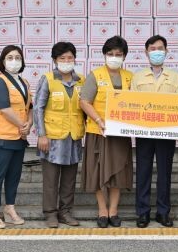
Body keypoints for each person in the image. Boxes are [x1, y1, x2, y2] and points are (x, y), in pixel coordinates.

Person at [131, 35, 178, 228]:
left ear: (166, 51)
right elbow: (132, 104)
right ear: (146, 52)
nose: (157, 52)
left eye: (160, 48)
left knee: (164, 173)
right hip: (144, 132)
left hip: (167, 133)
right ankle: (142, 212)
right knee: (143, 172)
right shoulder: (137, 77)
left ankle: (163, 212)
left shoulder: (176, 77)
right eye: (152, 49)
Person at [80, 36, 133, 228]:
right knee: (97, 171)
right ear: (104, 55)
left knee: (119, 171)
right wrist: (98, 120)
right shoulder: (95, 75)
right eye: (110, 54)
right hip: (98, 131)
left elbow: (137, 104)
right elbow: (84, 101)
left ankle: (114, 210)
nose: (114, 57)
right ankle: (102, 210)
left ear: (124, 56)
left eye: (118, 54)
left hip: (120, 133)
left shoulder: (130, 77)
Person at [33, 42, 85, 228]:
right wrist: (41, 135)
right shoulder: (48, 79)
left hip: (74, 137)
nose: (66, 61)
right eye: (62, 58)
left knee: (69, 179)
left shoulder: (81, 80)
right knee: (51, 179)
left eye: (70, 57)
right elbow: (38, 108)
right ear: (55, 60)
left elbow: (86, 106)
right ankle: (50, 213)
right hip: (52, 138)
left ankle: (65, 212)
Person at [0, 45, 33, 229]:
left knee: (14, 176)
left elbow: (29, 107)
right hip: (3, 137)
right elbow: (4, 108)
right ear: (3, 61)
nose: (14, 61)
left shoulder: (24, 82)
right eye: (10, 57)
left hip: (19, 138)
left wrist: (29, 123)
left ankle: (9, 208)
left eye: (18, 58)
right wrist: (23, 125)